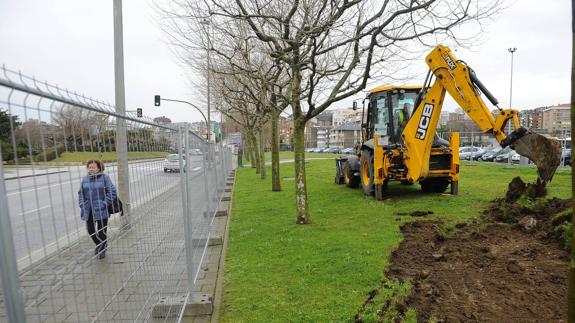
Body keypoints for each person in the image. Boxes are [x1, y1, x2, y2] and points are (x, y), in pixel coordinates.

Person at [78, 160, 116, 259]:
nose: (91, 169)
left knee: (101, 231)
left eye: (93, 167)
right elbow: (80, 193)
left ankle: (102, 249)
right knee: (90, 230)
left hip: (101, 209)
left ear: (99, 168)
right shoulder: (85, 179)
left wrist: (104, 203)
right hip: (88, 209)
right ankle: (100, 244)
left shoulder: (105, 178)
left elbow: (112, 192)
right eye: (89, 167)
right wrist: (82, 204)